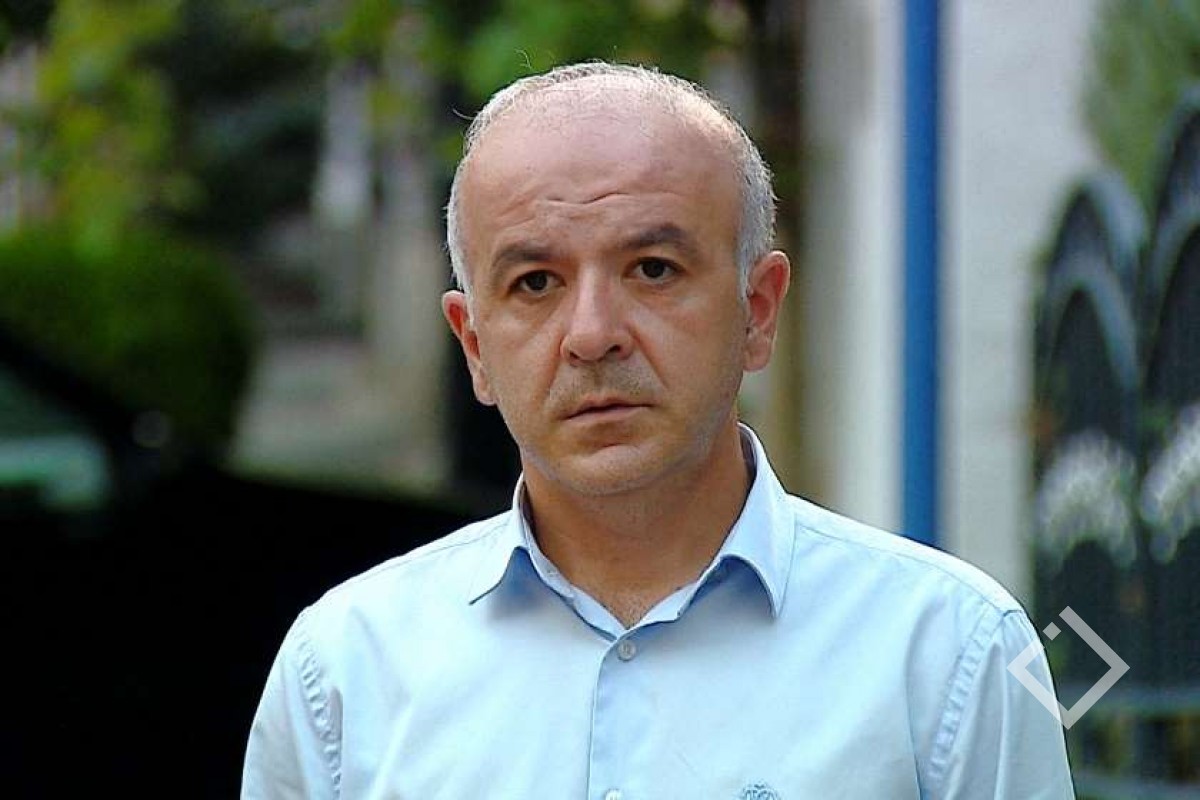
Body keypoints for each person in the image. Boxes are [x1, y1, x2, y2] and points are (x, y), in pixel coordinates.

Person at [242, 62, 1074, 799]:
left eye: (652, 269)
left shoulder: (953, 653)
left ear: (757, 311)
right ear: (475, 346)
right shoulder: (342, 675)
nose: (592, 333)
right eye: (535, 282)